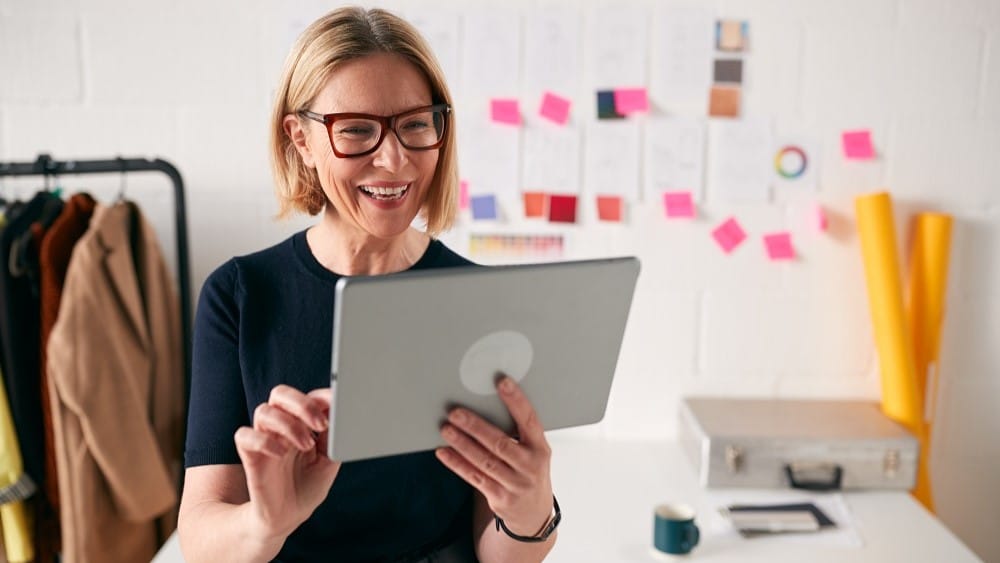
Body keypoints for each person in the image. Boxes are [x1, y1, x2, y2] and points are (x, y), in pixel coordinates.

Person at [177, 7, 558, 563]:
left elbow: (498, 552)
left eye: (415, 124)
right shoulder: (240, 294)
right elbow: (202, 541)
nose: (394, 159)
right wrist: (265, 524)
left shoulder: (479, 302)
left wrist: (529, 513)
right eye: (356, 129)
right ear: (300, 138)